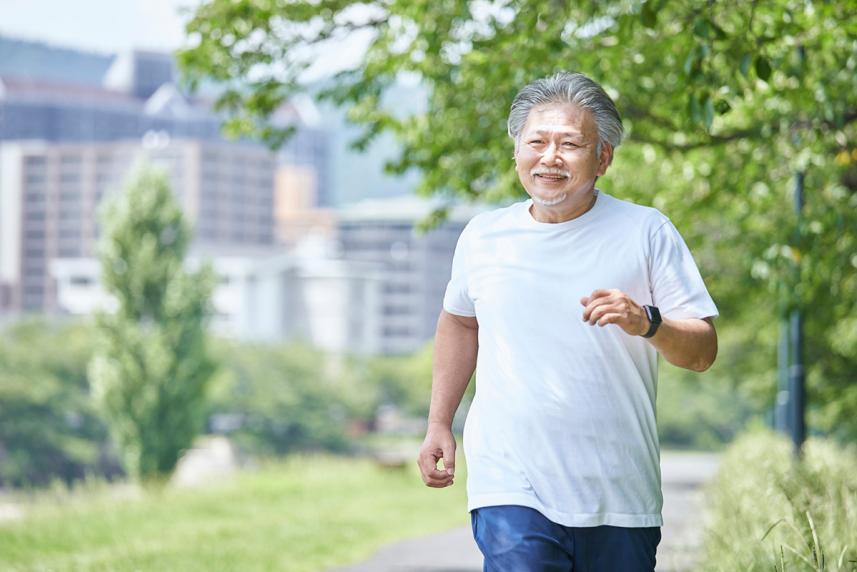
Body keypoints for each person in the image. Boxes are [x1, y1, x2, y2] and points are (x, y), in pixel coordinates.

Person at [417, 71, 719, 571]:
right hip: (509, 481)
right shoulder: (483, 236)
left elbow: (703, 351)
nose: (550, 156)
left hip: (618, 494)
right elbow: (460, 322)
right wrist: (438, 423)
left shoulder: (646, 232)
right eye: (536, 142)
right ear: (517, 153)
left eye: (570, 144)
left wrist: (647, 323)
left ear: (603, 158)